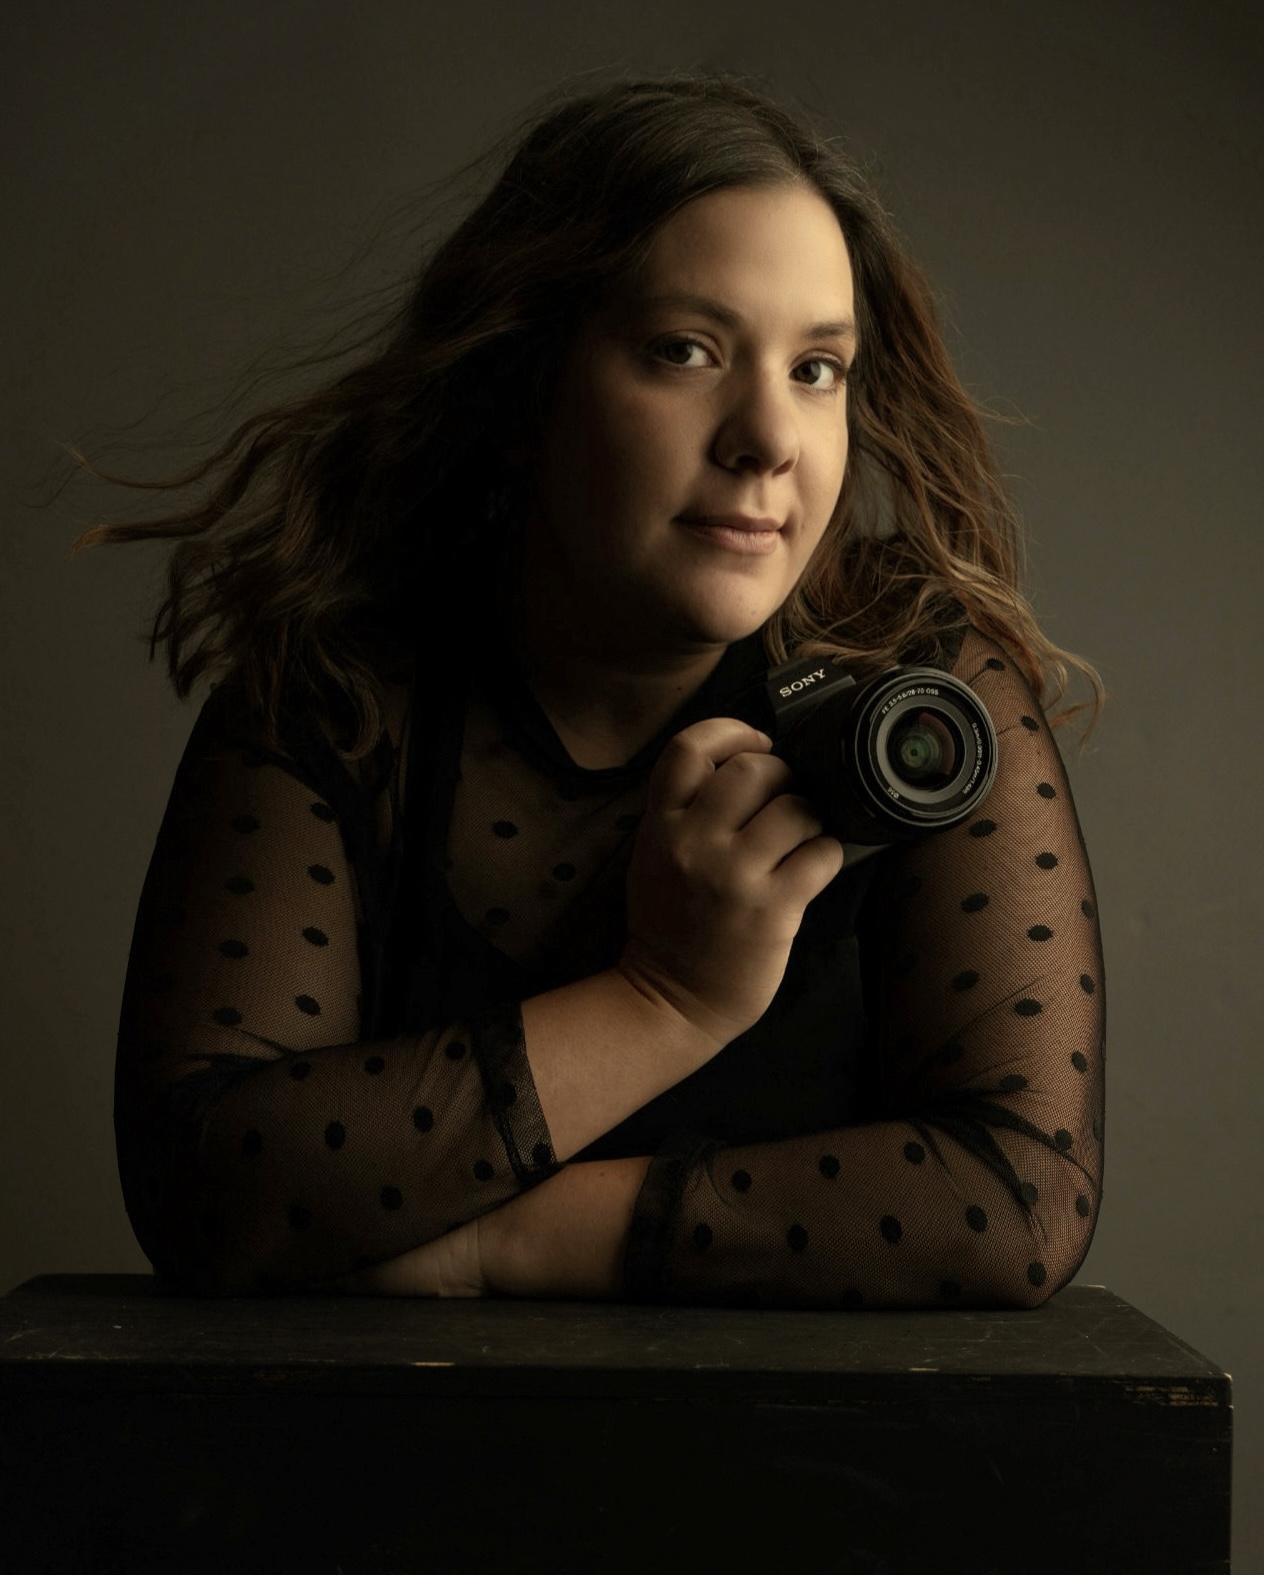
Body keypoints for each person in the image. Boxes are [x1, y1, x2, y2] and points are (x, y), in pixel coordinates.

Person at [77, 74, 1105, 1307]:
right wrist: (663, 1003)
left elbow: (1015, 1200)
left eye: (818, 368)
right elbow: (208, 1179)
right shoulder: (340, 695)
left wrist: (492, 1246)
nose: (768, 437)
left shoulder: (923, 690)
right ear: (523, 389)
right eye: (686, 351)